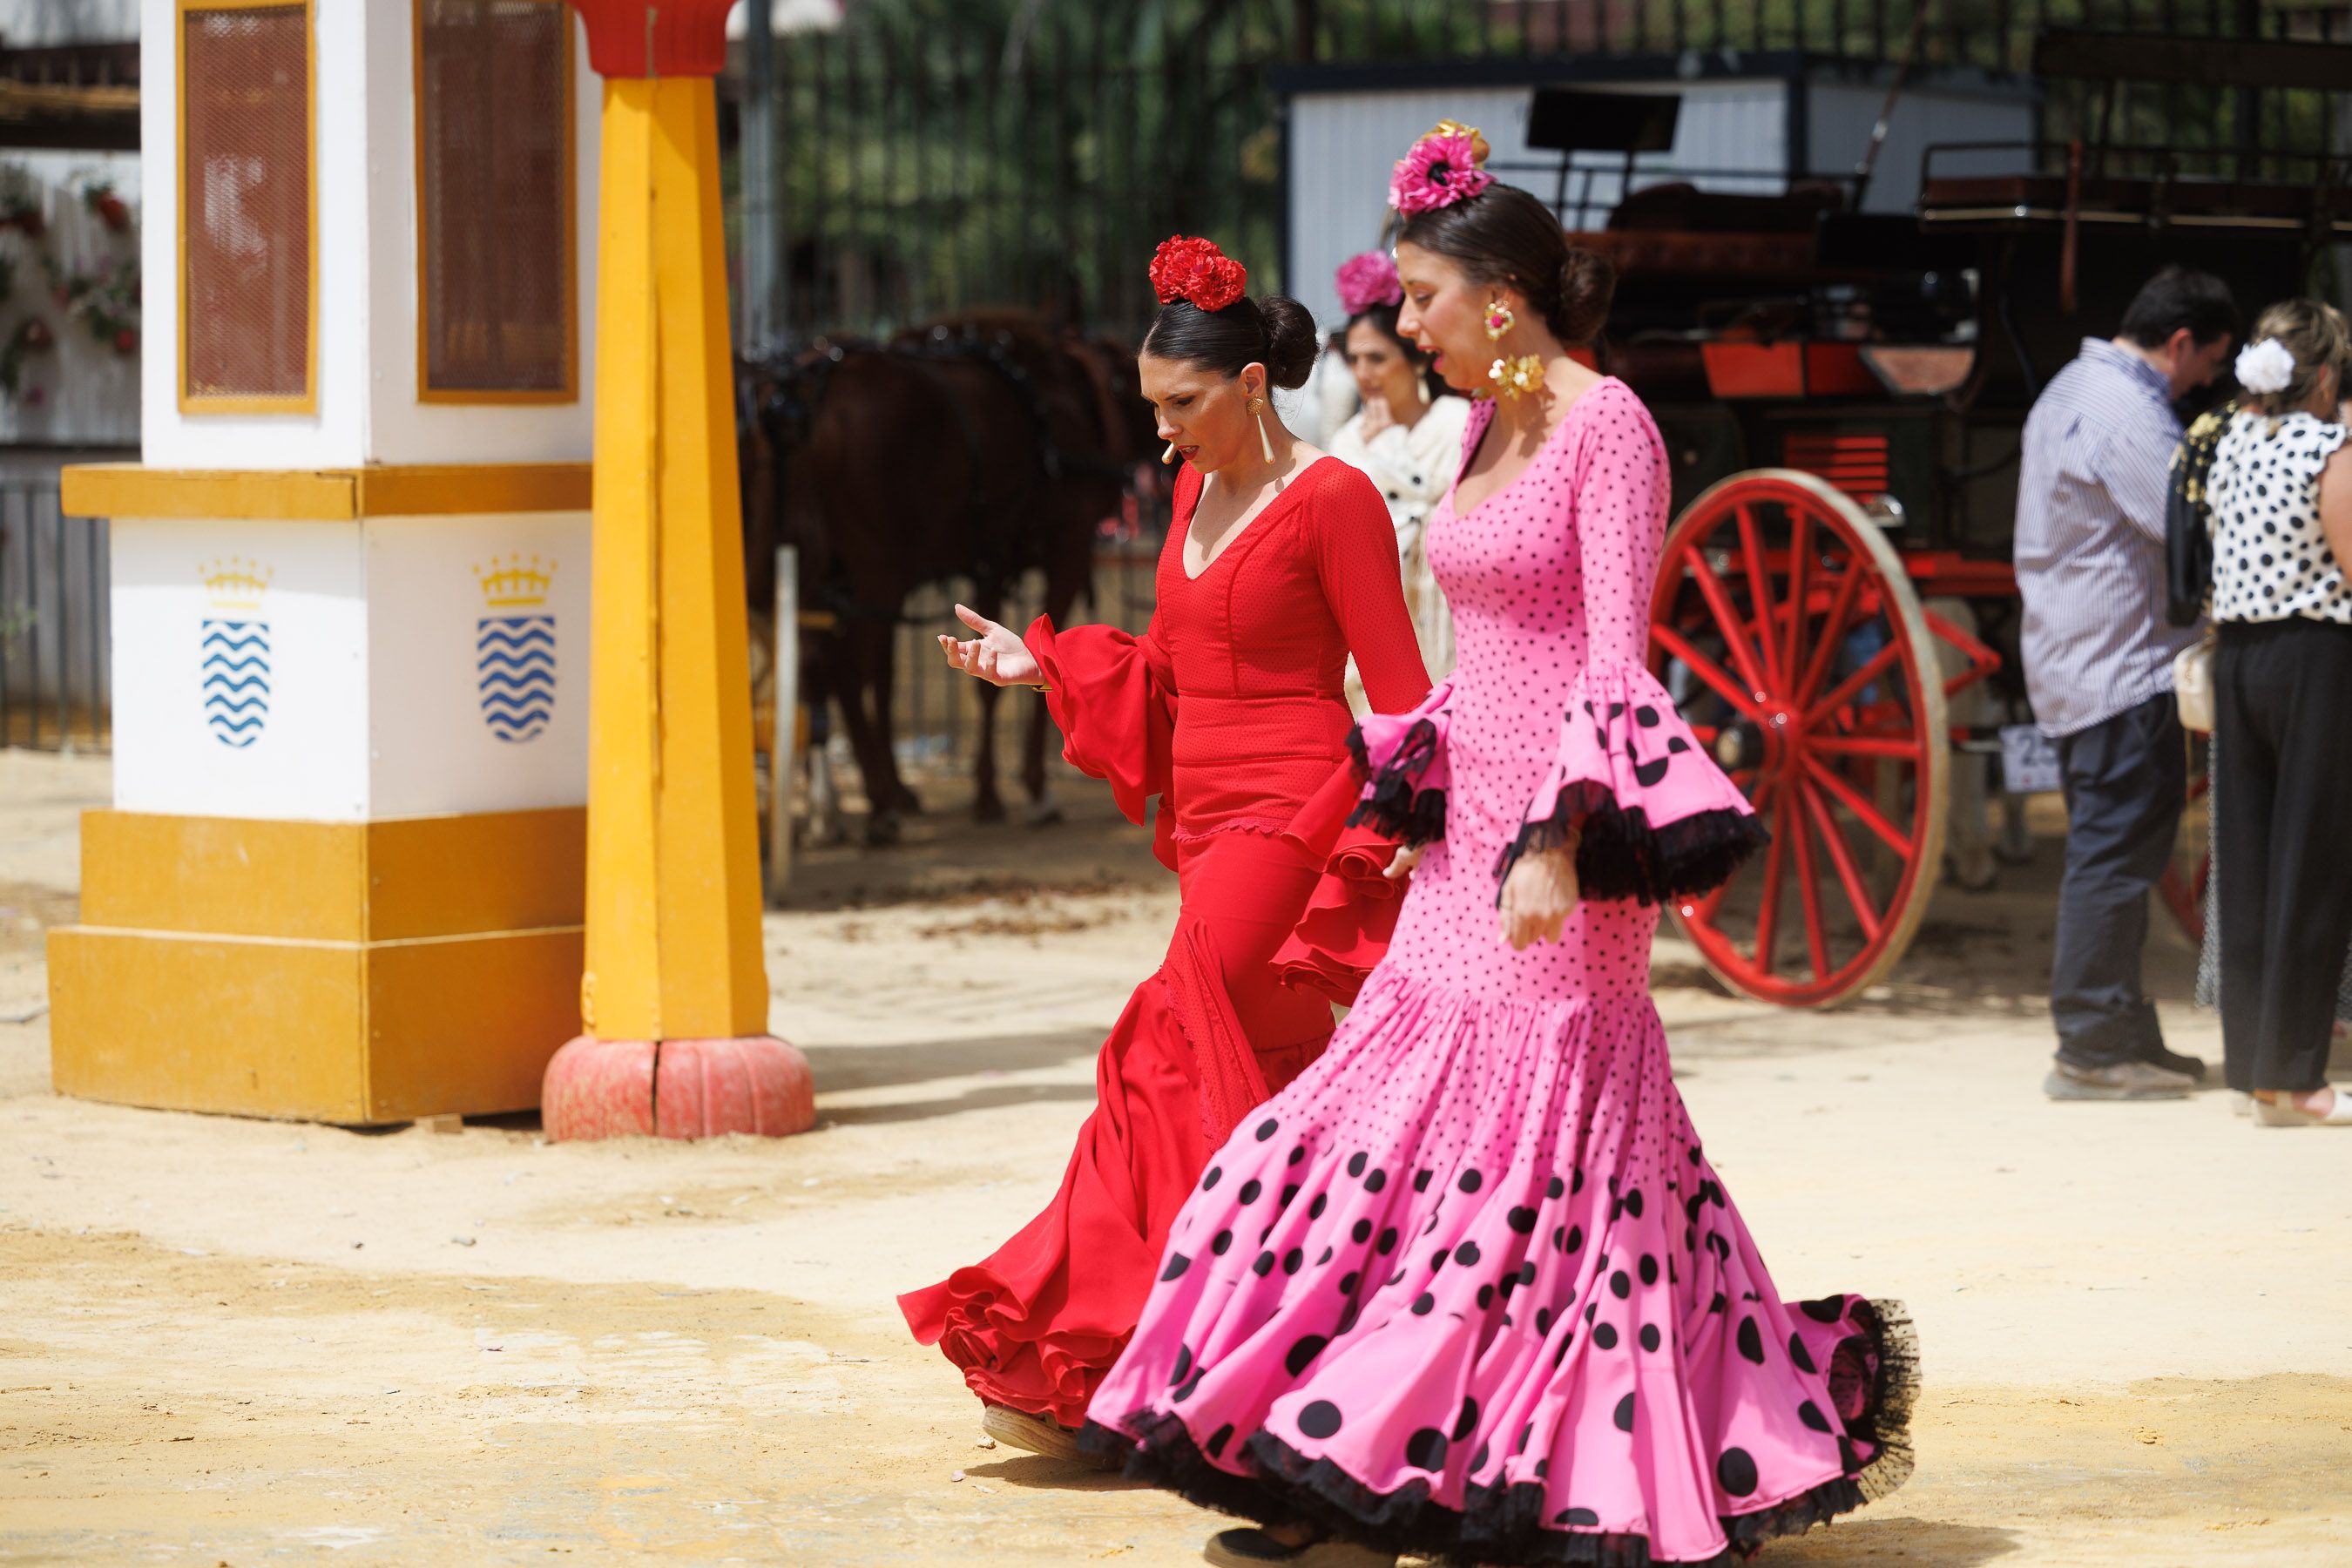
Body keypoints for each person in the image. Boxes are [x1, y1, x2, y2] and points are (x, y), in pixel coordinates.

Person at [1081, 125, 1913, 1568]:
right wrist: (1413, 800)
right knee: (1355, 1133)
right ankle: (1341, 1453)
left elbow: (1611, 663)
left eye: (1420, 296)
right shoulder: (1486, 421)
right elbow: (1482, 652)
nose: (1402, 325)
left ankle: (1435, 1469)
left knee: (1520, 1165)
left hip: (1559, 861)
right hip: (1467, 837)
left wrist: (1558, 838)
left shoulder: (1609, 430)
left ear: (1503, 297)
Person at [902, 234, 1434, 1458]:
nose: (1162, 436)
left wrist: (1400, 838)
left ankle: (1099, 1362)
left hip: (1291, 819)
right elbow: (1172, 675)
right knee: (1272, 1108)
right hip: (1205, 822)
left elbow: (1399, 694)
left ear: (1253, 386)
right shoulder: (1194, 491)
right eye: (1151, 408)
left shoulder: (1336, 498)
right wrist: (1042, 663)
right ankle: (1302, 1371)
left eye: (1182, 406)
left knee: (1159, 1051)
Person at [2014, 265, 2239, 1101]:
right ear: (2180, 342)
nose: (2207, 380)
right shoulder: (2126, 415)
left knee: (2120, 849)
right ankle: (2092, 1045)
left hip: (2086, 659)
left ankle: (2121, 1028)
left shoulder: (2077, 390)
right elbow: (2192, 524)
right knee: (2113, 854)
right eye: (2207, 361)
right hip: (2121, 667)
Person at [2202, 301, 2352, 1126]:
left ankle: (2258, 1069)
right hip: (2316, 659)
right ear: (2325, 375)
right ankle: (2298, 1077)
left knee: (2251, 866)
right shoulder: (2331, 449)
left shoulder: (2233, 444)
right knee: (2314, 866)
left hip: (2240, 658)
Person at [1325, 250, 1472, 698]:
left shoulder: (1458, 422)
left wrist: (1389, 452)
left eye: (1377, 358)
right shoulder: (1349, 442)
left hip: (1450, 622)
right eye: (1354, 360)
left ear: (1418, 360)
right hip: (1379, 625)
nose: (1363, 374)